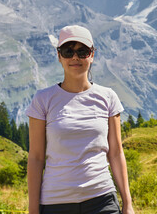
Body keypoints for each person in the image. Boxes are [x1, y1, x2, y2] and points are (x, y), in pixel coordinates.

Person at [26, 25, 135, 214]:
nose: (75, 57)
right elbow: (36, 158)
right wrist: (33, 210)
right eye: (68, 51)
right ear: (59, 56)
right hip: (55, 203)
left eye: (82, 51)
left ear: (92, 55)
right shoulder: (42, 100)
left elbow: (116, 152)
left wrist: (128, 203)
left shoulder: (108, 97)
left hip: (102, 200)